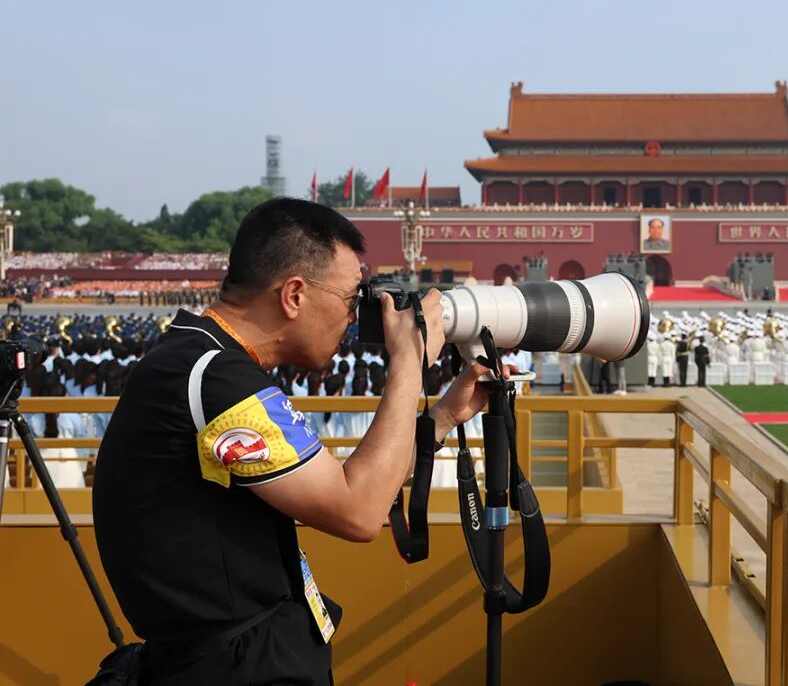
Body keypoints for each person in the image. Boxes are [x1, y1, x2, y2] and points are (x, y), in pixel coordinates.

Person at [92, 198, 499, 684]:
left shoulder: (202, 362)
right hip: (235, 669)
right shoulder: (214, 379)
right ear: (293, 295)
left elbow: (346, 482)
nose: (355, 318)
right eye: (352, 299)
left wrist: (444, 415)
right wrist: (408, 361)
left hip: (236, 658)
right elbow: (359, 511)